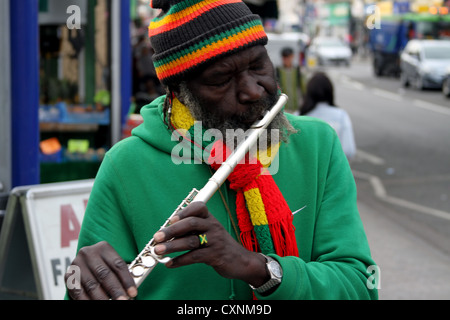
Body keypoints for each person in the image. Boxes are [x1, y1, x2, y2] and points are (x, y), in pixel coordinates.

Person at [65, 0, 377, 300]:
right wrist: (83, 284)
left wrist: (259, 269)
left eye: (258, 65)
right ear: (181, 93)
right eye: (221, 79)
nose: (253, 90)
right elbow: (87, 288)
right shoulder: (126, 166)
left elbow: (361, 287)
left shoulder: (317, 145)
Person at [299, 72, 356, 160]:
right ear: (330, 92)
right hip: (334, 170)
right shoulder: (341, 116)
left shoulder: (299, 116)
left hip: (306, 170)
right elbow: (349, 150)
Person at [276, 47, 303, 112]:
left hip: (296, 108)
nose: (287, 60)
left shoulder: (297, 70)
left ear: (292, 57)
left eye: (288, 57)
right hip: (284, 108)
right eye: (285, 57)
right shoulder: (278, 71)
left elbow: (303, 87)